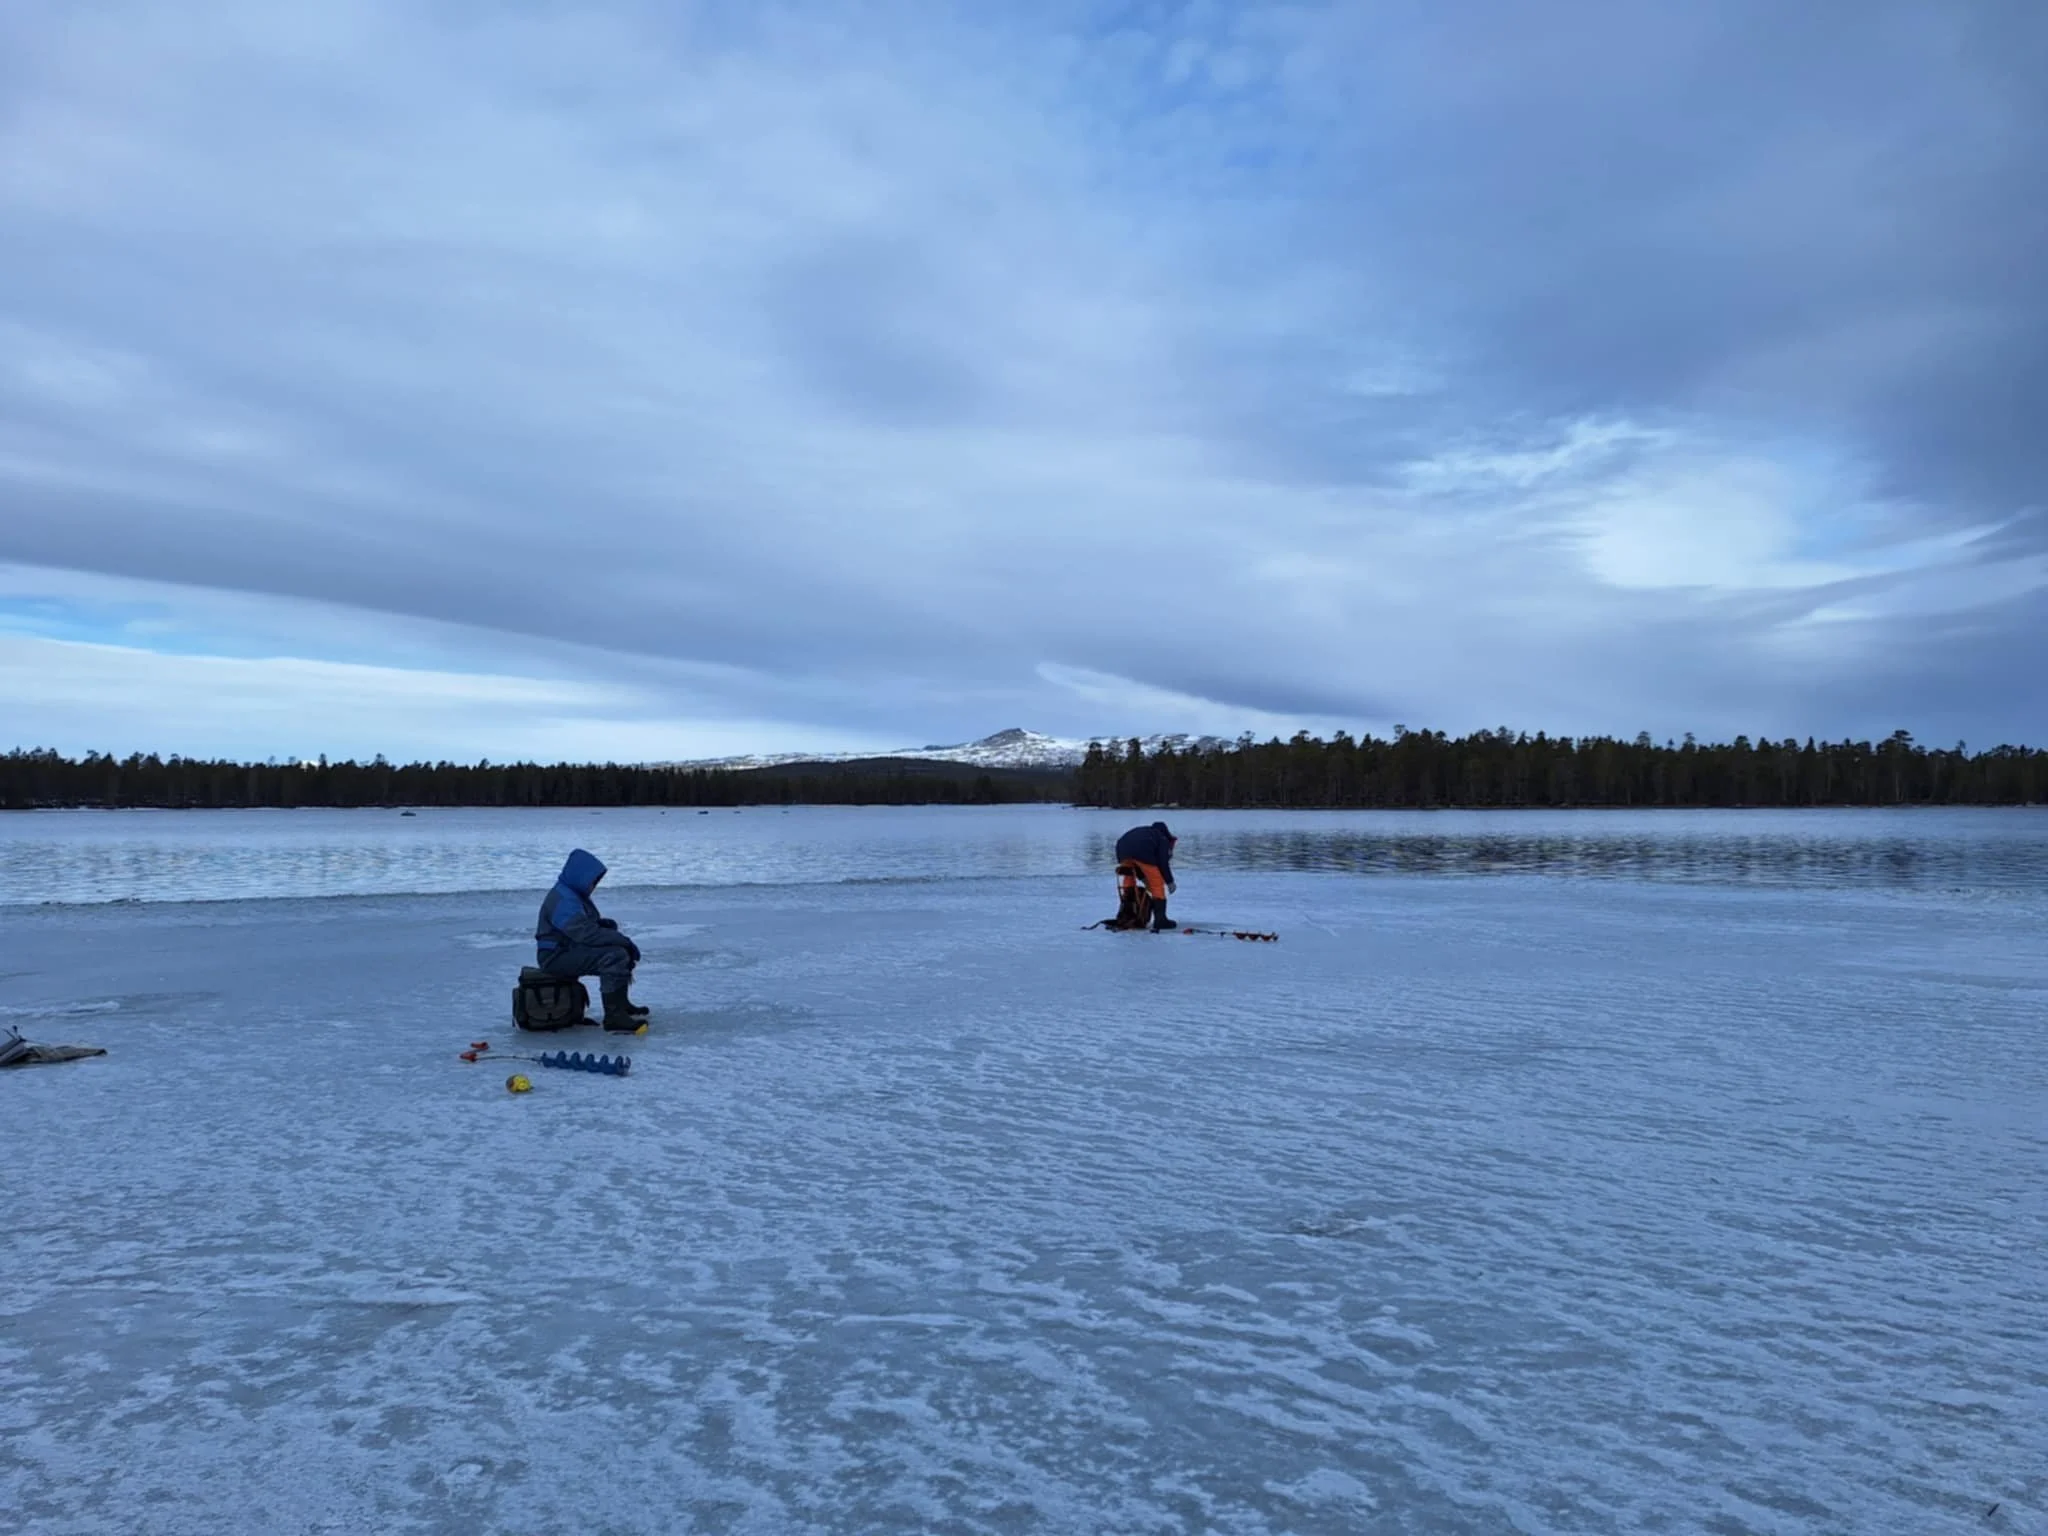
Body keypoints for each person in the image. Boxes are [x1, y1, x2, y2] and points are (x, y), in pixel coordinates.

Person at [534, 849, 647, 1031]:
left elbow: (582, 926)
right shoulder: (564, 899)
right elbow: (584, 933)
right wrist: (622, 940)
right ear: (580, 876)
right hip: (555, 956)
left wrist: (605, 926)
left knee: (619, 951)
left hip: (566, 949)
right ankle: (614, 1017)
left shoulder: (572, 893)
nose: (594, 886)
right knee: (614, 956)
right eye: (593, 881)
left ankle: (621, 1004)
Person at [1114, 820, 1179, 931]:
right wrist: (1170, 881)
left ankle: (1128, 912)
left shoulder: (1145, 832)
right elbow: (1163, 862)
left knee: (1129, 876)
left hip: (1122, 851)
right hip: (1143, 853)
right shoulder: (1162, 838)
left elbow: (1137, 862)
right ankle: (1160, 920)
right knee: (1157, 883)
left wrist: (1143, 878)